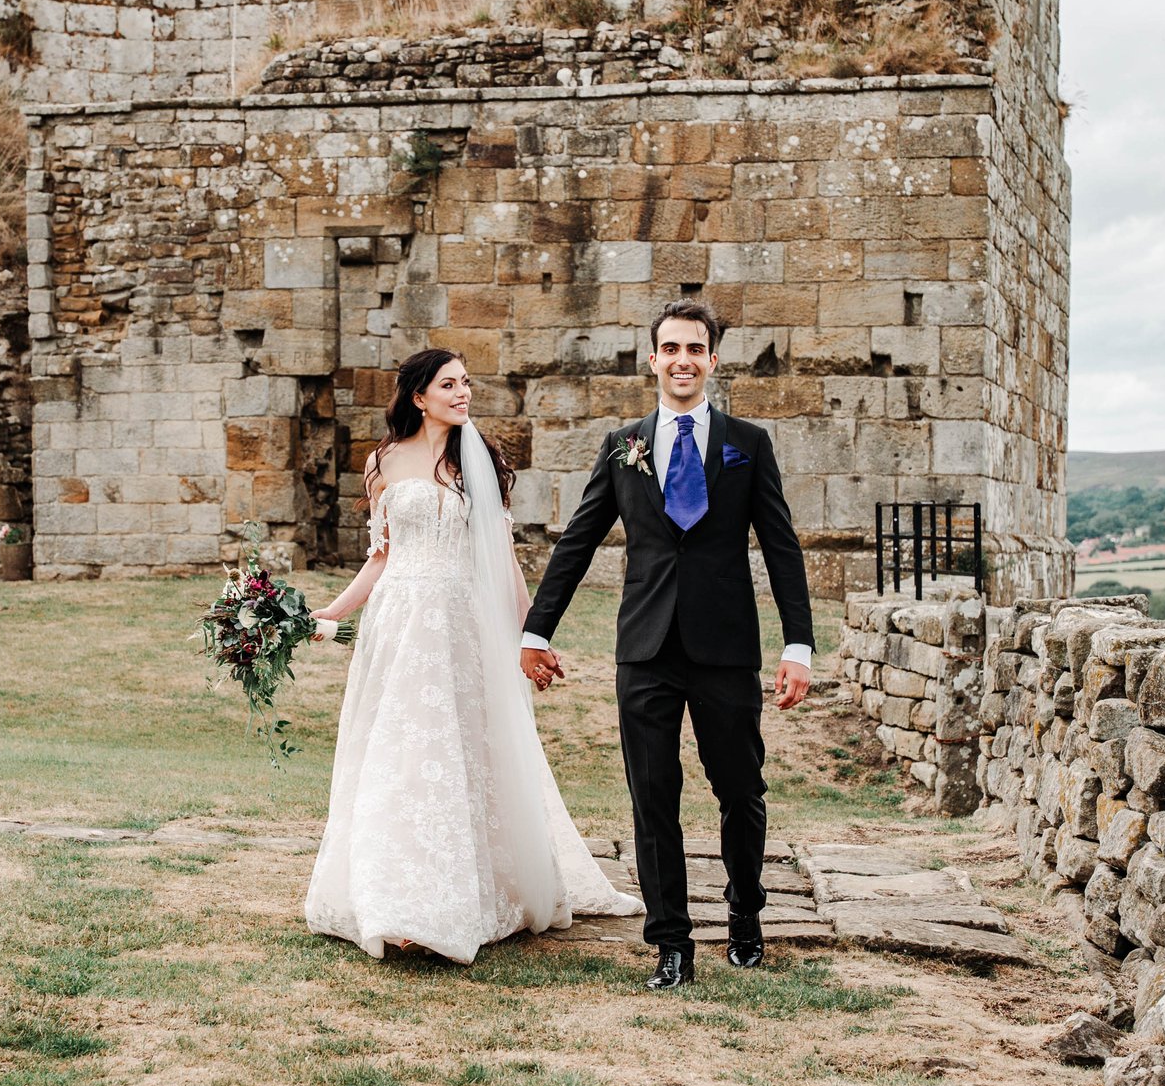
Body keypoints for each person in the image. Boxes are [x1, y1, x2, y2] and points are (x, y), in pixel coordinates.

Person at [302, 348, 640, 962]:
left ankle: (461, 894)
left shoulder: (477, 461)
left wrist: (529, 635)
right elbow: (380, 558)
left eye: (466, 383)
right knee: (397, 752)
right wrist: (330, 613)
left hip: (460, 625)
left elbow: (503, 559)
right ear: (418, 395)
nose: (463, 393)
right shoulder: (382, 461)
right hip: (398, 625)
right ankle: (395, 898)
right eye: (449, 384)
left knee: (459, 751)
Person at [521, 300, 814, 990]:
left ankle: (745, 918)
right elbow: (579, 542)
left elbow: (781, 548)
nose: (683, 359)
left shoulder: (749, 443)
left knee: (739, 791)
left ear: (712, 359)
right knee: (652, 797)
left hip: (725, 648)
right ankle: (672, 944)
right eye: (671, 348)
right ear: (652, 359)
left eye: (696, 348)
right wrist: (536, 631)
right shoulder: (624, 446)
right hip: (645, 649)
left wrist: (797, 644)